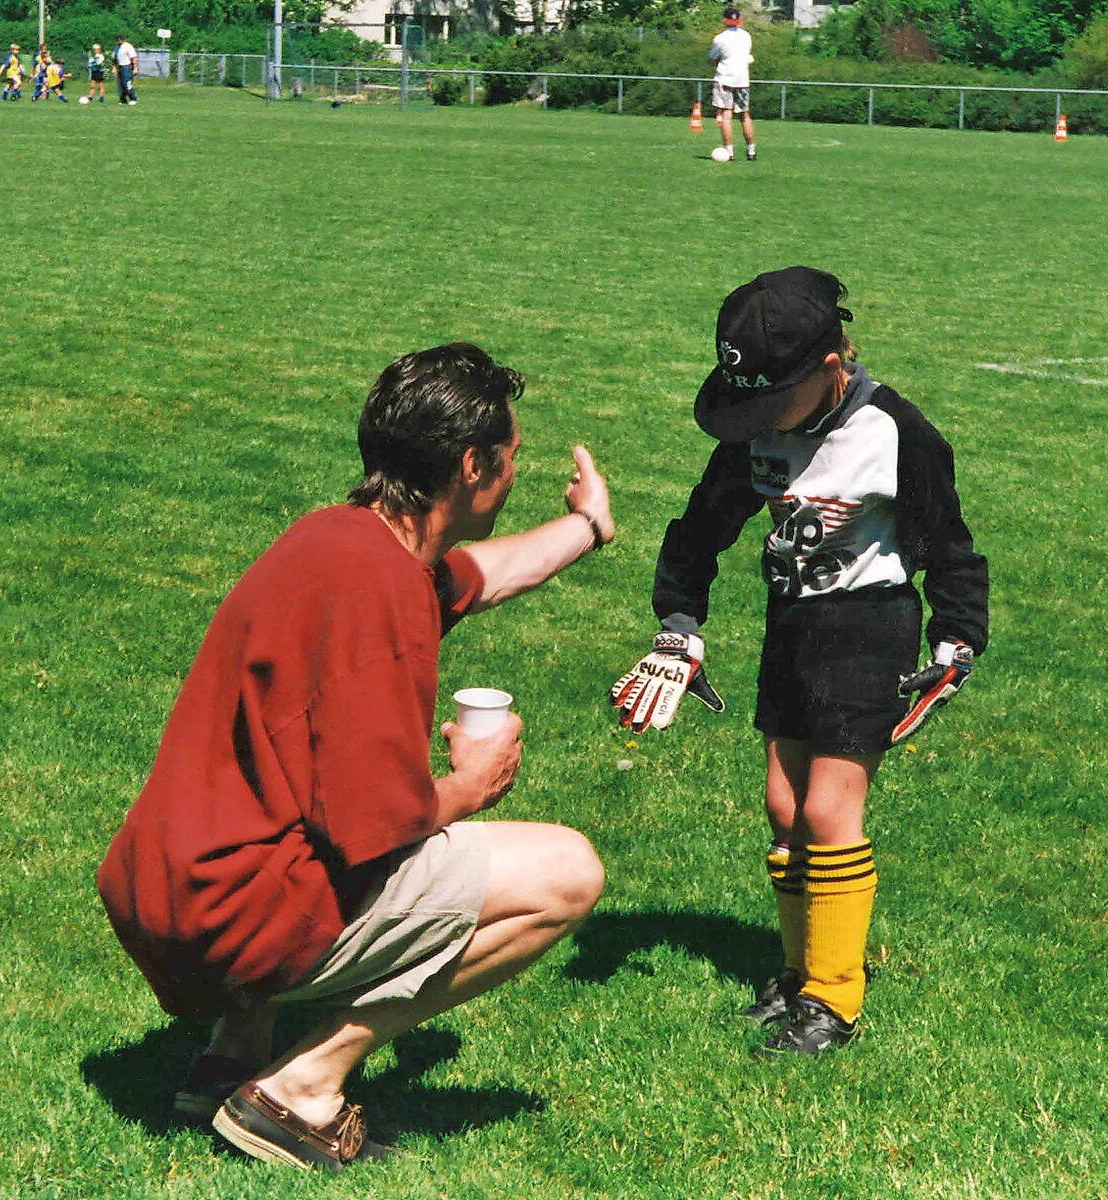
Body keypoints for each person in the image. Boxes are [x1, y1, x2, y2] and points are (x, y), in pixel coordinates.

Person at [97, 343, 615, 1170]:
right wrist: (471, 785)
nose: (516, 473)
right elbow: (374, 825)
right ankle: (299, 1088)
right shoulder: (381, 596)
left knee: (290, 815)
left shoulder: (338, 541)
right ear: (473, 464)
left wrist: (588, 526)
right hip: (229, 916)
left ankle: (230, 1057)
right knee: (566, 872)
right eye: (512, 458)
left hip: (168, 886)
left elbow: (477, 574)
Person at [611, 267, 988, 1056]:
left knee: (827, 811)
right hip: (792, 628)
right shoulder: (759, 434)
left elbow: (953, 546)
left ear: (828, 369)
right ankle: (796, 973)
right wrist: (679, 625)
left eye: (769, 402)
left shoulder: (894, 432)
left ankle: (835, 998)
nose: (757, 423)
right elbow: (702, 528)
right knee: (784, 805)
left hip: (869, 627)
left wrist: (956, 641)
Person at [709, 6, 756, 162]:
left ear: (725, 20)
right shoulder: (746, 36)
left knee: (726, 115)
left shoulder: (720, 38)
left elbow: (713, 58)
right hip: (743, 79)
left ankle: (729, 152)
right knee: (745, 115)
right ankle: (751, 151)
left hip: (724, 79)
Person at [112, 34, 138, 105]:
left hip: (127, 67)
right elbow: (114, 59)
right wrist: (114, 68)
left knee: (127, 83)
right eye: (117, 41)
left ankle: (133, 98)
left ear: (123, 40)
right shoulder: (117, 48)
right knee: (120, 84)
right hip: (120, 67)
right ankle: (122, 99)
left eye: (120, 40)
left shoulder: (128, 46)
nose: (118, 42)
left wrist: (135, 68)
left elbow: (134, 58)